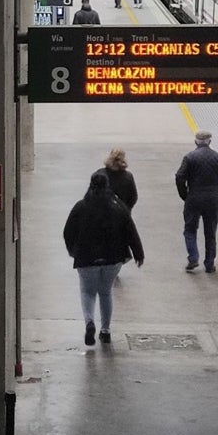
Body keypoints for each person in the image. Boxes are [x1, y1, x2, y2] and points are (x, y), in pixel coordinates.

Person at [62, 173, 144, 346]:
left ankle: (89, 322)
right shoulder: (118, 207)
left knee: (87, 292)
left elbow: (68, 231)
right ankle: (105, 331)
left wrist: (73, 250)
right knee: (106, 292)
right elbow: (130, 230)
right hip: (113, 258)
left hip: (86, 258)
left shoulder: (81, 207)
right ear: (108, 186)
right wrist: (138, 253)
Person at [174, 130, 218, 273]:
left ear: (195, 142)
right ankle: (209, 264)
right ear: (210, 142)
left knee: (190, 229)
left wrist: (185, 195)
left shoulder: (189, 157)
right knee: (210, 233)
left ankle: (193, 257)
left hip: (194, 198)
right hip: (213, 200)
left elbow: (180, 177)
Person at [97, 148, 137, 212]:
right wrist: (126, 209)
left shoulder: (100, 173)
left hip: (102, 214)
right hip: (122, 214)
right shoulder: (128, 176)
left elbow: (93, 193)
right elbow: (133, 197)